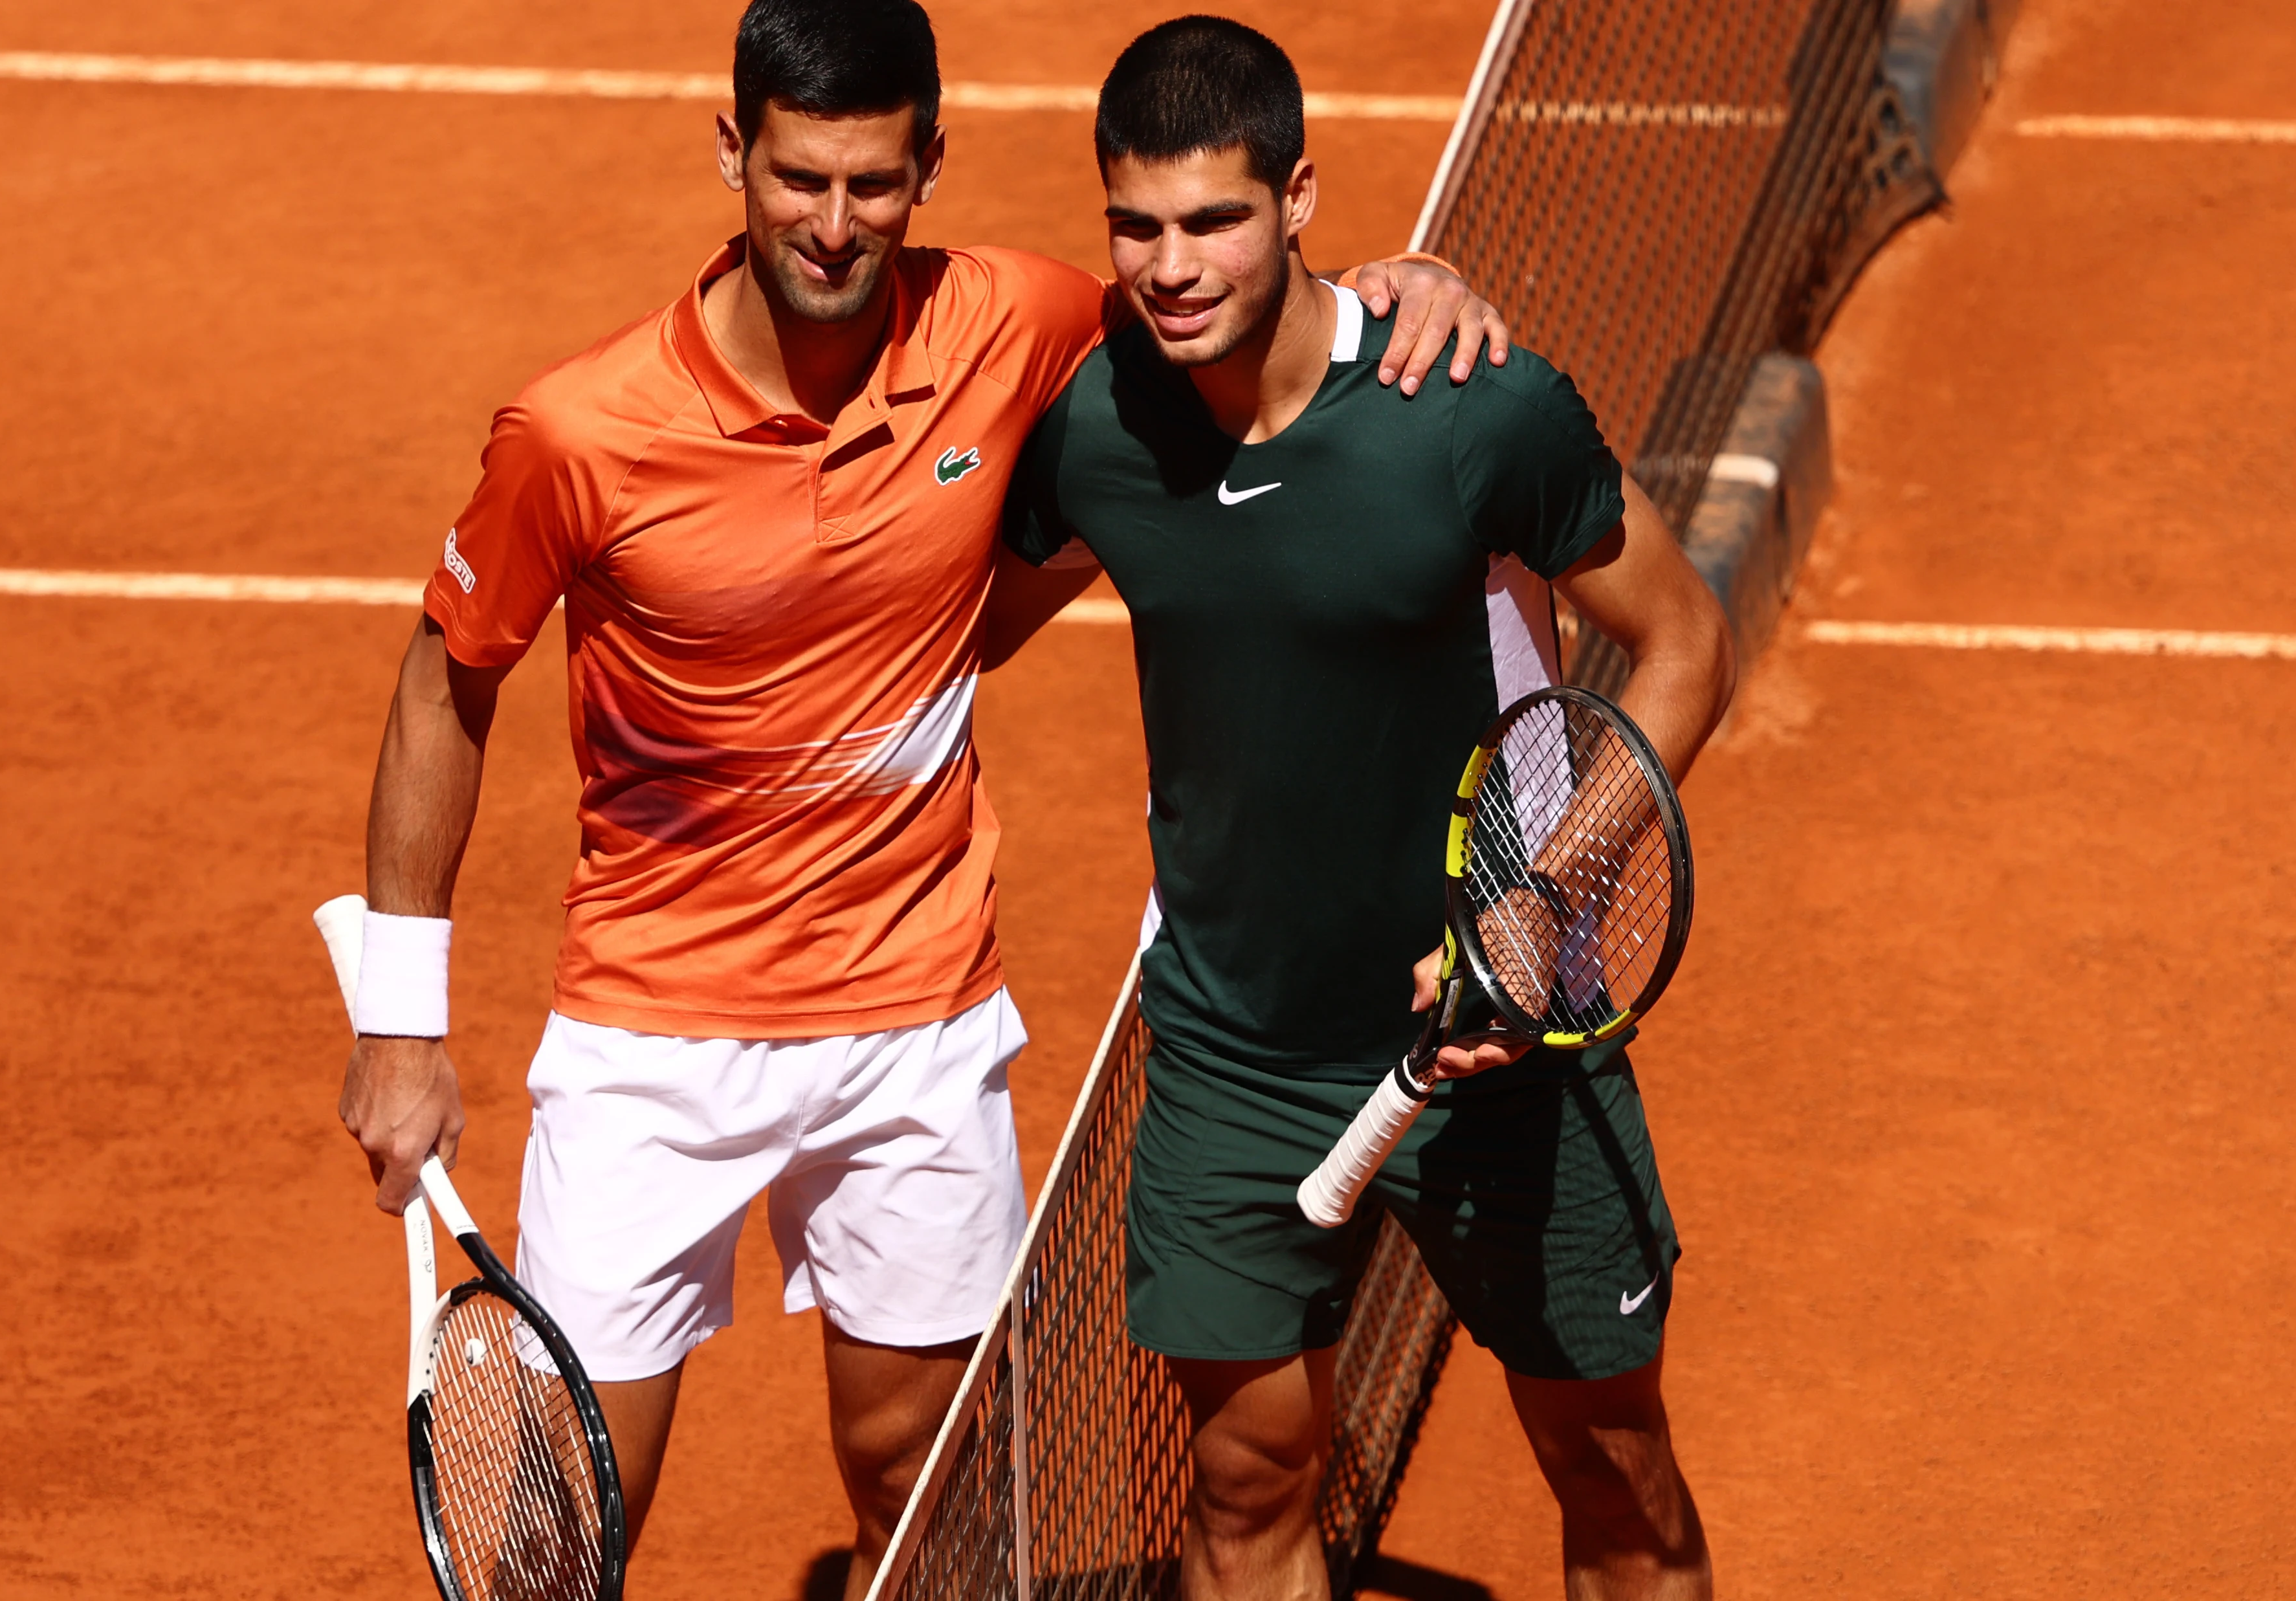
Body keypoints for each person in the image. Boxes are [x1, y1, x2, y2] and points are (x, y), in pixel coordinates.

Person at [333, 1, 1509, 1590]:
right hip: (651, 1043)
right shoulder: (580, 433)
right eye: (800, 178)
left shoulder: (1010, 320)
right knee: (562, 1530)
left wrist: (1395, 286)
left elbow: (1222, 308)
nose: (834, 226)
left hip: (915, 1024)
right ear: (734, 151)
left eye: (875, 185)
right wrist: (401, 1028)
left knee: (930, 1497)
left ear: (928, 166)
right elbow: (443, 677)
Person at [991, 18, 1736, 1601]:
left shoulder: (1467, 407)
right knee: (1246, 1483)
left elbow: (1682, 642)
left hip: (1515, 1045)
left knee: (1615, 1473)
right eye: (1138, 225)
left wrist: (1542, 902)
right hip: (1233, 1049)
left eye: (1215, 220)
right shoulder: (1100, 431)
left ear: (1299, 195)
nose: (1172, 265)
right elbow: (942, 621)